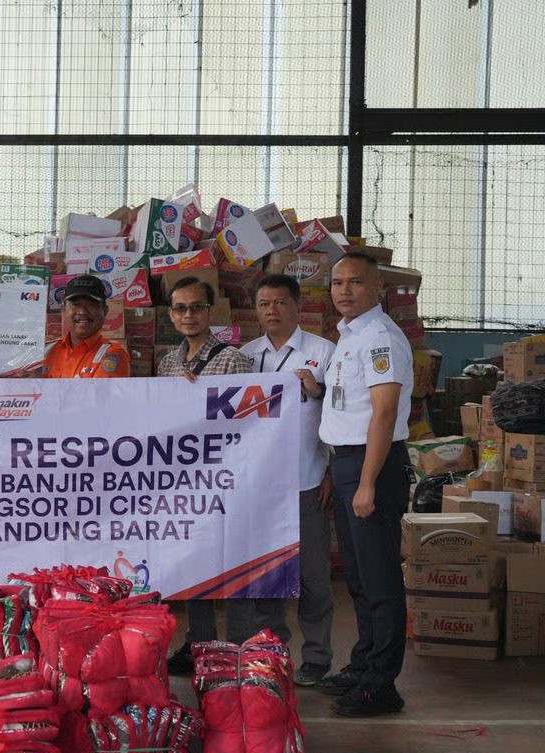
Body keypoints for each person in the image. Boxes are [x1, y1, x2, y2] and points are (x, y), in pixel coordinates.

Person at [315, 252, 412, 717]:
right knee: (358, 578)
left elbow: (384, 413)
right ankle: (364, 663)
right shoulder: (349, 336)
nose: (344, 291)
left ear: (378, 288)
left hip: (373, 463)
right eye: (337, 283)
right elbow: (347, 403)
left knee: (380, 579)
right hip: (348, 462)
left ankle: (381, 685)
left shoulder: (380, 338)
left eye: (355, 282)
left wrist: (367, 482)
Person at [240, 274, 336, 686]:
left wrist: (317, 391)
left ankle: (316, 657)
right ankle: (271, 653)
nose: (272, 311)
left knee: (314, 578)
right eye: (264, 304)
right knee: (267, 578)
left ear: (297, 307)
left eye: (280, 302)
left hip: (307, 481)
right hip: (260, 489)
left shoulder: (324, 352)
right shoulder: (245, 356)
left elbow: (342, 414)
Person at [156, 276, 256, 674]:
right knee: (194, 560)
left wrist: (197, 399)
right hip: (185, 479)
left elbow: (247, 421)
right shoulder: (167, 363)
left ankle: (237, 650)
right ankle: (199, 644)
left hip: (226, 477)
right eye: (180, 308)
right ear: (170, 315)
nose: (189, 315)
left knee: (233, 561)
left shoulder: (232, 359)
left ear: (210, 311)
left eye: (196, 307)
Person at [44, 274, 130, 378]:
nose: (82, 311)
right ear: (63, 311)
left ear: (105, 311)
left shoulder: (113, 354)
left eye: (91, 304)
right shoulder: (46, 351)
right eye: (76, 304)